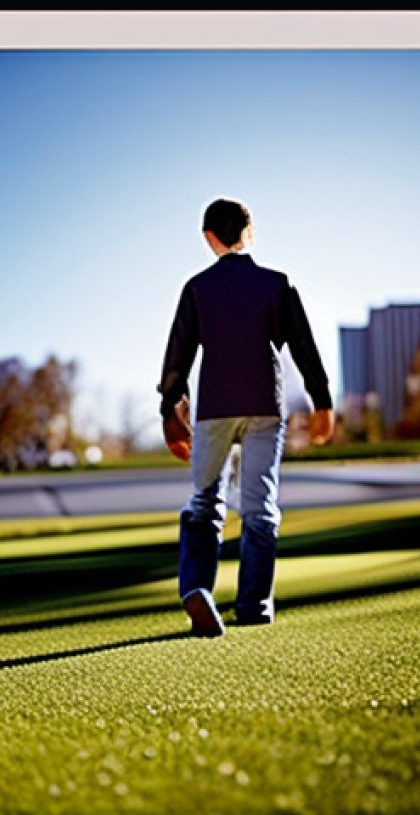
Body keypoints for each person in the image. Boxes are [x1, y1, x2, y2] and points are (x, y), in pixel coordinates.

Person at [158, 197, 335, 638]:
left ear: (208, 238)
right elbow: (303, 346)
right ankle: (255, 605)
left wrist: (169, 410)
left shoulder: (197, 288)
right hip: (262, 407)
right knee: (260, 507)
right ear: (249, 232)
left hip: (214, 410)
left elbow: (177, 356)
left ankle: (197, 588)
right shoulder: (277, 284)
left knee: (204, 503)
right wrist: (322, 401)